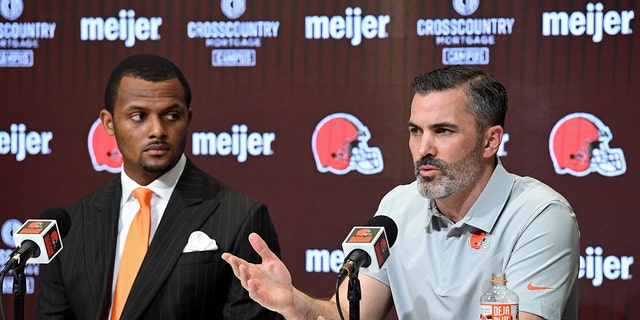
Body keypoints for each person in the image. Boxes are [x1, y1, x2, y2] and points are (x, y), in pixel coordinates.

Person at [222, 65, 580, 319]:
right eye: (415, 131)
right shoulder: (398, 206)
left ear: (490, 141)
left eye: (443, 131)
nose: (424, 147)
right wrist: (293, 303)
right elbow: (347, 315)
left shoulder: (540, 215)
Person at [36, 54, 283, 320]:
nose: (157, 130)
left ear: (188, 118)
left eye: (171, 115)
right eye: (139, 116)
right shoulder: (69, 225)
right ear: (108, 122)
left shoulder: (241, 217)